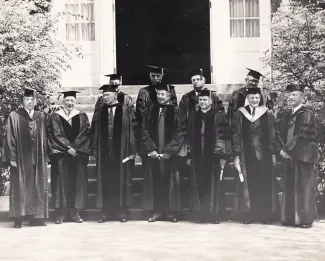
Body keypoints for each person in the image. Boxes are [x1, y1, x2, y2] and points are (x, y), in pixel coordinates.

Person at [2, 88, 49, 228]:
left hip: (38, 157)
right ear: (23, 101)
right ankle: (19, 217)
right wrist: (12, 157)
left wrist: (45, 155)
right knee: (20, 186)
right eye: (27, 99)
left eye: (32, 100)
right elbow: (9, 137)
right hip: (21, 158)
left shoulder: (41, 116)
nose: (30, 102)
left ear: (36, 101)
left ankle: (37, 217)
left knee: (38, 185)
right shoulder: (14, 116)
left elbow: (46, 138)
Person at [91, 84, 137, 223]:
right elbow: (94, 129)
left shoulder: (126, 110)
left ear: (115, 96)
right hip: (104, 150)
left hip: (121, 150)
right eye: (103, 95)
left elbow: (133, 130)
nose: (104, 98)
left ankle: (121, 211)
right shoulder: (100, 111)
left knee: (121, 180)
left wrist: (132, 150)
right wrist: (94, 148)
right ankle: (106, 212)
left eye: (107, 95)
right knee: (106, 180)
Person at [140, 83, 186, 223]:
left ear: (169, 96)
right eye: (158, 94)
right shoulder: (150, 110)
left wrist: (169, 151)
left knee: (171, 182)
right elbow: (144, 131)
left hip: (169, 155)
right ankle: (157, 211)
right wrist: (152, 149)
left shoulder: (177, 111)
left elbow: (181, 132)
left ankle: (170, 212)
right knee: (155, 182)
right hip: (154, 153)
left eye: (162, 94)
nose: (160, 97)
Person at [232, 87, 278, 224]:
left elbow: (272, 134)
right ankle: (248, 214)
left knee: (264, 183)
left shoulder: (267, 113)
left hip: (264, 154)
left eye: (257, 98)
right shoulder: (240, 113)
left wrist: (273, 153)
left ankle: (265, 215)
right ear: (247, 98)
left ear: (260, 98)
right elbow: (235, 134)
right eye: (252, 97)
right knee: (247, 184)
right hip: (246, 154)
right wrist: (236, 153)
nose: (254, 100)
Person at [187, 90, 232, 224]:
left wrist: (223, 155)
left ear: (211, 101)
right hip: (197, 155)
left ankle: (214, 214)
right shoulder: (193, 116)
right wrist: (189, 154)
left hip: (213, 156)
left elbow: (224, 136)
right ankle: (200, 213)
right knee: (198, 183)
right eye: (200, 100)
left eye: (205, 100)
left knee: (214, 184)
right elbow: (189, 136)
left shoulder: (219, 116)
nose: (202, 102)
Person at [277, 84, 318, 228]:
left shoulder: (307, 113)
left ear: (302, 97)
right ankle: (289, 218)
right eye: (290, 95)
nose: (291, 97)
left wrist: (287, 150)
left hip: (302, 156)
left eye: (294, 94)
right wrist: (282, 149)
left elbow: (303, 135)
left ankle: (304, 220)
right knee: (289, 186)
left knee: (303, 187)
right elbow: (279, 133)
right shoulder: (287, 115)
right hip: (289, 156)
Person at [48, 91, 91, 224]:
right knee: (60, 183)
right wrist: (69, 148)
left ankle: (74, 212)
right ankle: (60, 213)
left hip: (77, 155)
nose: (69, 103)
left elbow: (85, 133)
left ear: (76, 102)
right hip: (61, 154)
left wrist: (75, 148)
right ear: (63, 102)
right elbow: (55, 134)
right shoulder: (55, 116)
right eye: (67, 100)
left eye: (72, 100)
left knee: (76, 183)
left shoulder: (82, 116)